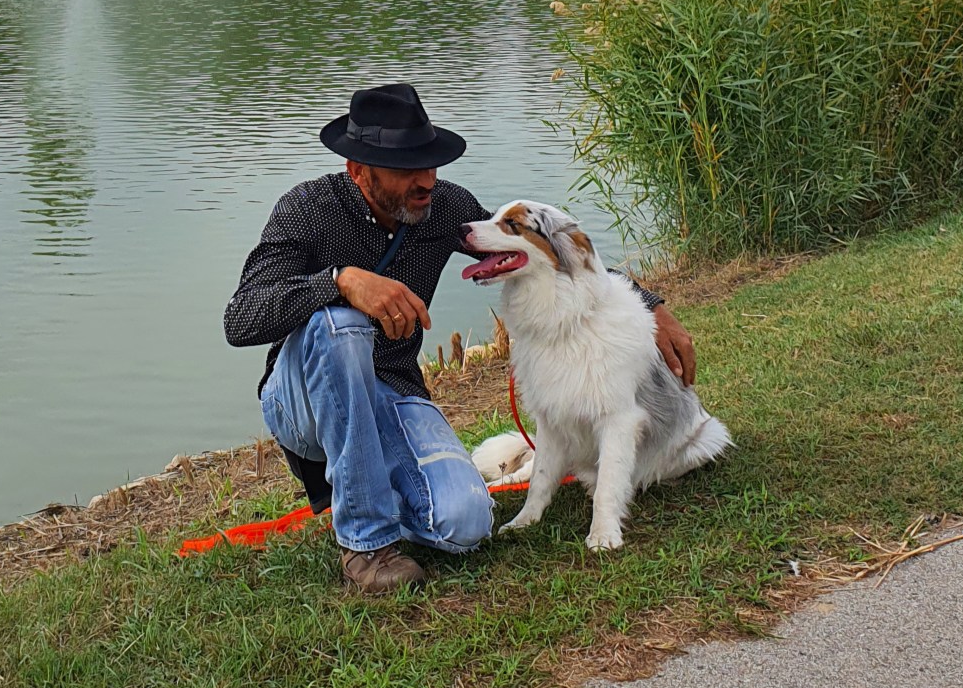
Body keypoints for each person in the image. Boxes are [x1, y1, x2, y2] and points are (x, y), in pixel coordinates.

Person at [224, 83, 696, 594]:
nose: (426, 180)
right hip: (304, 401)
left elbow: (536, 247)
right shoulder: (307, 208)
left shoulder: (439, 206)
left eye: (430, 164)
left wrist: (651, 305)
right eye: (407, 168)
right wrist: (342, 281)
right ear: (358, 172)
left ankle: (374, 487)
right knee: (341, 325)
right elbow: (240, 319)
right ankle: (367, 548)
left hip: (391, 390)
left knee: (465, 525)